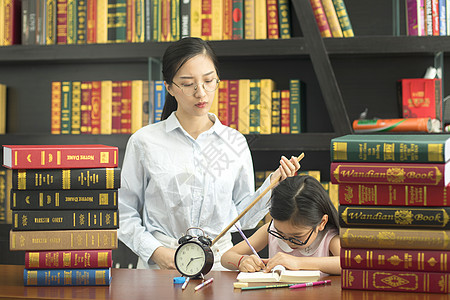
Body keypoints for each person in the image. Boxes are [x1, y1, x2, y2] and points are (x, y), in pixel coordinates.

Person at [117, 37, 301, 270]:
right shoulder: (145, 142)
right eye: (187, 83)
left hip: (219, 264)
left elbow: (241, 219)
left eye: (208, 81)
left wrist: (271, 186)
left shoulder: (234, 142)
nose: (200, 92)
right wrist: (156, 252)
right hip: (161, 266)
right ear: (170, 87)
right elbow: (123, 212)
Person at [221, 175, 341, 275]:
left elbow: (348, 263)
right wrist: (243, 260)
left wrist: (298, 262)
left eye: (297, 237)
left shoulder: (328, 238)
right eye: (280, 233)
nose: (288, 242)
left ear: (322, 223)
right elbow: (226, 257)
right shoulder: (270, 230)